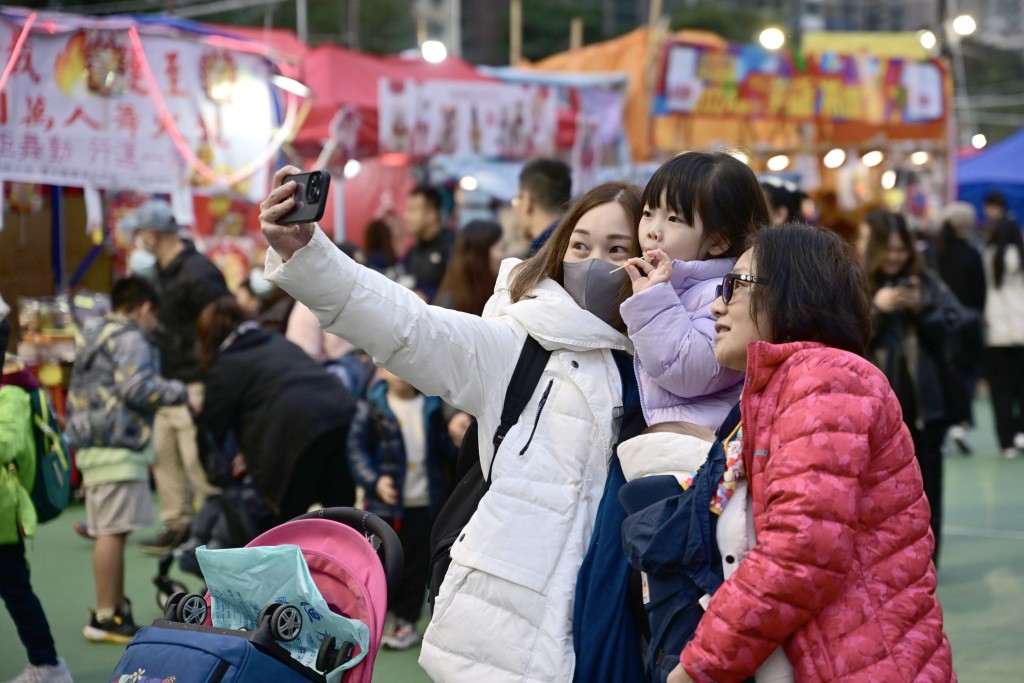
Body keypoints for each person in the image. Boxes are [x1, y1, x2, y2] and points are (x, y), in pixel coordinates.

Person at [259, 167, 642, 682]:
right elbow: (412, 328)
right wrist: (309, 256)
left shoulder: (667, 366)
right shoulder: (518, 342)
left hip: (612, 628)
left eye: (618, 249)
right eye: (579, 244)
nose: (595, 263)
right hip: (498, 632)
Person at [668, 222, 955, 682]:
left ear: (791, 291)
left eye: (735, 284)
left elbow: (802, 550)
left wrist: (702, 664)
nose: (717, 304)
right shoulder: (786, 385)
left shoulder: (825, 379)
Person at [572, 151, 771, 682]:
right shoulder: (674, 282)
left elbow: (686, 369)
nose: (653, 230)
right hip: (668, 465)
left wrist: (652, 298)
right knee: (658, 609)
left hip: (694, 467)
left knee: (681, 612)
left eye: (675, 219)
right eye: (650, 213)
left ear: (720, 240)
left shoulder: (720, 292)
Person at [64, 277, 189, 643]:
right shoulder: (131, 337)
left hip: (91, 442)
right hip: (118, 444)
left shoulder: (92, 332)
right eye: (154, 318)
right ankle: (107, 615)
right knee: (112, 532)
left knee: (109, 529)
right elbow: (136, 388)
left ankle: (113, 607)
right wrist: (180, 392)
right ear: (146, 308)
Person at [860, 210, 965, 563]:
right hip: (874, 414)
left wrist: (923, 310)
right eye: (887, 249)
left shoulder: (928, 282)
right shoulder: (855, 285)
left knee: (929, 490)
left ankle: (927, 563)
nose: (894, 257)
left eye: (901, 250)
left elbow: (955, 329)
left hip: (926, 409)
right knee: (879, 495)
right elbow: (841, 340)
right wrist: (876, 310)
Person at [196, 296, 356, 523]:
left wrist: (221, 479)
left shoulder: (225, 366)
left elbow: (210, 432)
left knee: (285, 520)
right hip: (341, 413)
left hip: (296, 433)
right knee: (342, 515)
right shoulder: (275, 341)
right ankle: (347, 557)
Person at [129, 198, 227, 555]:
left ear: (152, 236)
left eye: (140, 233)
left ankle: (217, 529)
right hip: (168, 381)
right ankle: (178, 525)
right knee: (166, 458)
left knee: (197, 461)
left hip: (196, 380)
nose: (137, 240)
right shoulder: (163, 274)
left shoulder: (198, 272)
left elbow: (223, 319)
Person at [346, 367, 457, 650]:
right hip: (385, 509)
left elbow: (444, 449)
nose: (399, 371)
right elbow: (357, 450)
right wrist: (374, 481)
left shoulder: (431, 405)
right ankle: (374, 618)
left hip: (424, 503)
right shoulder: (371, 407)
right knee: (379, 563)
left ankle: (406, 621)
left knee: (416, 566)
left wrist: (459, 438)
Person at [0, 296, 74, 683]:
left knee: (16, 592)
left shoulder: (11, 389)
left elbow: (6, 444)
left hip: (3, 514)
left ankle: (47, 665)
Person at [934, 202, 986, 453]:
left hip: (940, 323)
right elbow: (980, 291)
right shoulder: (972, 252)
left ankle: (943, 430)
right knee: (967, 375)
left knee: (944, 374)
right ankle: (962, 424)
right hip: (968, 322)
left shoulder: (937, 251)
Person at [983, 217, 1024, 459]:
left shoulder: (989, 257)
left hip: (997, 334)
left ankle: (1005, 442)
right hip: (1022, 331)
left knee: (1001, 390)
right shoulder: (1021, 258)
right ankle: (1021, 430)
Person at [434, 219, 508, 316]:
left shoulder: (500, 293)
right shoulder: (449, 307)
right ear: (480, 255)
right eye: (503, 249)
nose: (508, 255)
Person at [403, 185, 455, 302]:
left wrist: (428, 296)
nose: (406, 216)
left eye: (413, 210)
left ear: (432, 214)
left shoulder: (453, 246)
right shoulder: (413, 251)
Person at [513, 158, 572, 255]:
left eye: (517, 199)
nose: (515, 208)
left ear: (528, 201)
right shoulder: (574, 244)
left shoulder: (539, 256)